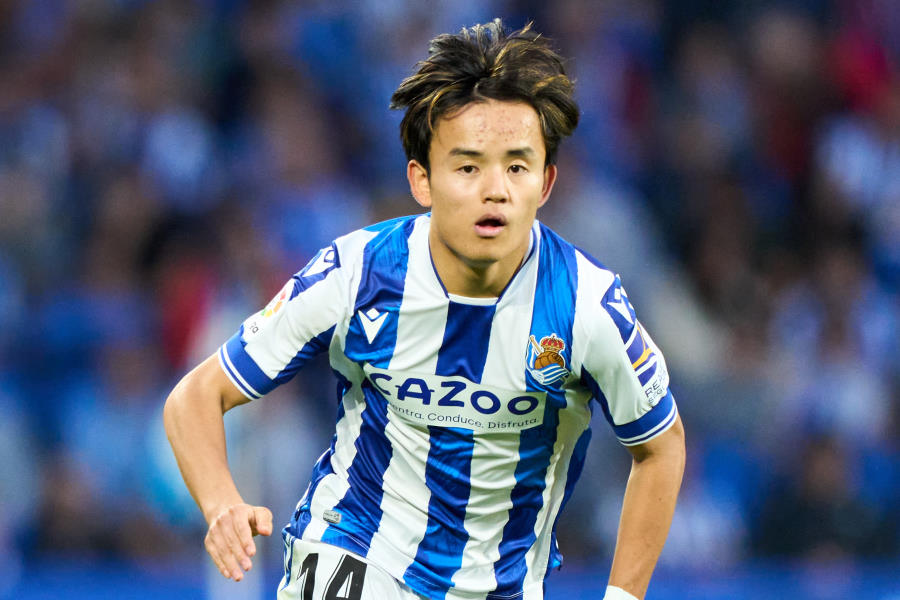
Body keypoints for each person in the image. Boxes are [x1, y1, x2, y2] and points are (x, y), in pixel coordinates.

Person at [164, 19, 685, 600]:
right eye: (468, 167)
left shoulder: (586, 305)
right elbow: (196, 396)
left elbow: (660, 446)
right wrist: (221, 504)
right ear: (422, 180)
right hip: (355, 554)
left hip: (504, 586)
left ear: (545, 183)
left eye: (517, 166)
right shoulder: (359, 273)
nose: (495, 189)